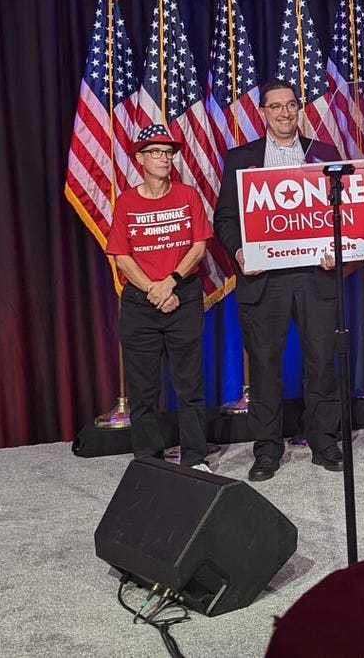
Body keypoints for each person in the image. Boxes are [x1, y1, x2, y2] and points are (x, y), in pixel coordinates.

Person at [213, 79, 344, 482]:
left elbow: (345, 214)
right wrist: (238, 253)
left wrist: (337, 248)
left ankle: (323, 441)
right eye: (276, 107)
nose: (284, 113)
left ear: (298, 109)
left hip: (313, 277)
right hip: (264, 281)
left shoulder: (324, 154)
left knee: (322, 363)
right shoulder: (241, 158)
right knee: (266, 367)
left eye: (290, 106)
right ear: (263, 113)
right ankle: (267, 449)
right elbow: (225, 219)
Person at [106, 122, 213, 470]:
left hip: (183, 296)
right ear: (140, 159)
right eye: (156, 152)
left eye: (168, 153)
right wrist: (154, 289)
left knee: (189, 386)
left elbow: (199, 246)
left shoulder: (188, 196)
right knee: (143, 391)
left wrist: (172, 281)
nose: (164, 158)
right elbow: (122, 256)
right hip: (142, 303)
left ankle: (195, 456)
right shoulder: (126, 202)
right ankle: (149, 460)